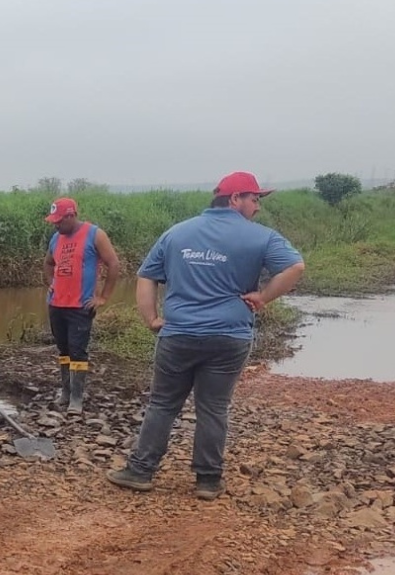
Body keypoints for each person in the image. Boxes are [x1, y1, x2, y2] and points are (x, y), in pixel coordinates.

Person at [107, 171, 305, 501]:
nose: (257, 206)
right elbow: (295, 267)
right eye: (254, 199)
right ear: (235, 199)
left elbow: (146, 277)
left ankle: (140, 472)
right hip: (229, 338)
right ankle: (208, 481)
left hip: (179, 335)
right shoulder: (261, 237)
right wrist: (263, 297)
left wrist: (152, 319)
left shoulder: (176, 233)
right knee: (213, 408)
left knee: (162, 404)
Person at [43, 197, 120, 414]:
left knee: (78, 351)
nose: (56, 225)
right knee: (63, 349)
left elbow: (113, 263)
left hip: (80, 305)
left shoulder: (94, 234)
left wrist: (103, 297)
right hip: (56, 304)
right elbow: (48, 264)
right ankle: (65, 392)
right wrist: (51, 283)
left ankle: (76, 398)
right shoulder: (55, 239)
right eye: (54, 221)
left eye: (59, 220)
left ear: (71, 215)